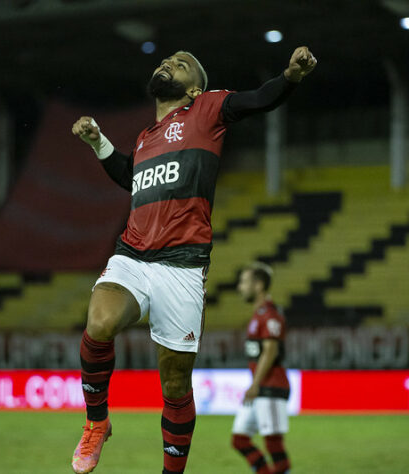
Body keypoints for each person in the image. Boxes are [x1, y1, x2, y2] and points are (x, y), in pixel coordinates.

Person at [70, 46, 316, 474]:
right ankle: (97, 422)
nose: (168, 63)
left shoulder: (207, 110)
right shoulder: (147, 137)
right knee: (99, 322)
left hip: (182, 266)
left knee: (176, 385)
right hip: (133, 254)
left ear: (195, 89)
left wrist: (290, 76)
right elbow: (131, 177)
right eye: (167, 60)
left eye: (181, 64)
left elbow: (259, 98)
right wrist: (98, 142)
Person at [232, 262, 291, 474]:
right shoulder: (260, 314)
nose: (240, 287)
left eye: (244, 282)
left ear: (258, 286)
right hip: (260, 388)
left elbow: (271, 350)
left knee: (274, 445)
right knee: (239, 439)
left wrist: (255, 384)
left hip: (271, 387)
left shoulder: (270, 315)